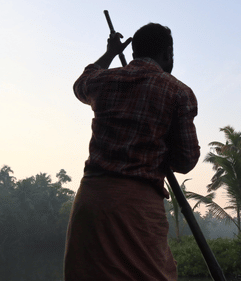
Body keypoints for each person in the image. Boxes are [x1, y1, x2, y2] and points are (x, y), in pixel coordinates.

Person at [64, 23, 200, 281]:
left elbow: (81, 83)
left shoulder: (104, 79)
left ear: (135, 51)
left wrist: (110, 53)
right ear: (167, 53)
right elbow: (186, 161)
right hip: (136, 211)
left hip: (91, 202)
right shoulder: (179, 92)